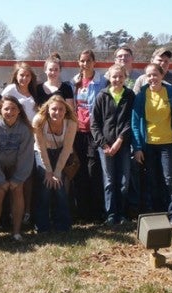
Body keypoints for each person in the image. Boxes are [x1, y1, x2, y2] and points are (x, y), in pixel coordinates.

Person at [131, 47, 172, 213]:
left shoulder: (171, 90)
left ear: (161, 75)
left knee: (169, 179)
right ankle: (155, 212)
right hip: (148, 144)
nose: (152, 78)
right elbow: (135, 121)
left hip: (168, 143)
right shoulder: (142, 93)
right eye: (149, 75)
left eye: (155, 75)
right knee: (151, 179)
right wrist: (137, 147)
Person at [0, 95, 34, 245]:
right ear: (0, 110)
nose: (10, 112)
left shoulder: (25, 128)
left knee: (18, 190)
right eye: (6, 108)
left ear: (19, 111)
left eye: (13, 109)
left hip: (16, 165)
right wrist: (0, 180)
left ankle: (16, 233)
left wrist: (18, 179)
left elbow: (26, 155)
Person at [91, 64, 135, 225]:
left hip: (123, 145)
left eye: (120, 77)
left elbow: (131, 121)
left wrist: (120, 140)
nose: (117, 79)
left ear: (125, 78)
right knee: (109, 181)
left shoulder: (130, 95)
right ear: (109, 77)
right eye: (114, 77)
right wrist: (103, 144)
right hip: (105, 147)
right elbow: (94, 123)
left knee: (124, 181)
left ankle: (122, 214)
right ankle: (110, 214)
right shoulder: (102, 96)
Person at [70, 49, 106, 222]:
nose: (85, 64)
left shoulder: (102, 82)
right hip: (77, 133)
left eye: (88, 61)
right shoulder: (74, 83)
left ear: (94, 62)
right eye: (82, 61)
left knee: (94, 171)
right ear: (79, 63)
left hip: (94, 133)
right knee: (79, 171)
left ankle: (96, 211)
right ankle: (82, 212)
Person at [1, 62, 38, 224]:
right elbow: (2, 111)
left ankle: (27, 212)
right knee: (11, 177)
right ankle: (11, 213)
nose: (24, 78)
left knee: (27, 178)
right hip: (12, 139)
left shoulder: (35, 92)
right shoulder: (10, 90)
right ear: (16, 76)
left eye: (27, 75)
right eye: (21, 75)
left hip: (30, 141)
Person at [32, 95, 76, 232]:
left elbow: (67, 149)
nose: (57, 112)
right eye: (54, 109)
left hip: (61, 152)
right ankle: (42, 225)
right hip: (42, 152)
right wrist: (49, 171)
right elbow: (41, 148)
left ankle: (63, 224)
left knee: (60, 186)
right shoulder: (39, 121)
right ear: (47, 109)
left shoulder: (71, 123)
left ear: (66, 110)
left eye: (61, 109)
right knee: (45, 185)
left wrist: (57, 172)